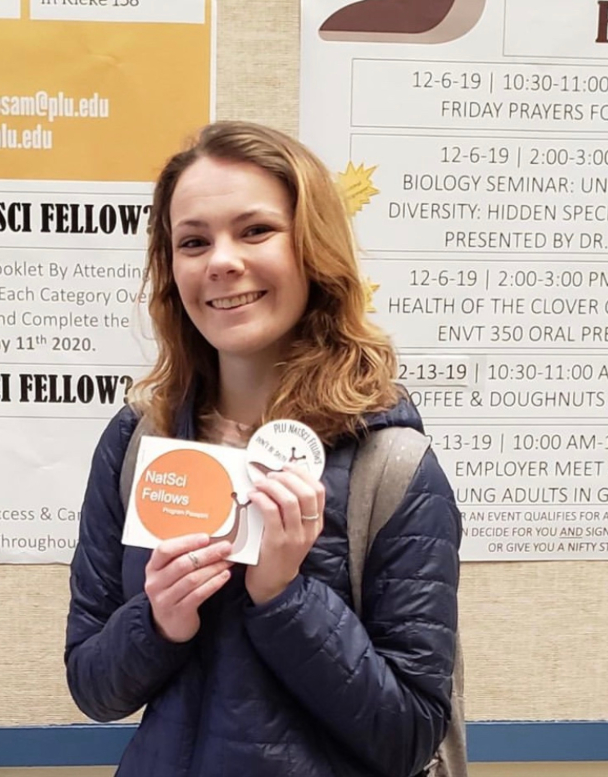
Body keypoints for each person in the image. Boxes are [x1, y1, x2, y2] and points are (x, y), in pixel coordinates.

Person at [65, 121, 461, 777]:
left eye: (255, 231)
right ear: (173, 270)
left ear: (312, 249)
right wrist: (159, 622)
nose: (222, 261)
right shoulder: (140, 441)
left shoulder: (388, 469)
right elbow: (92, 685)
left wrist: (286, 597)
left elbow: (410, 736)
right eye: (194, 241)